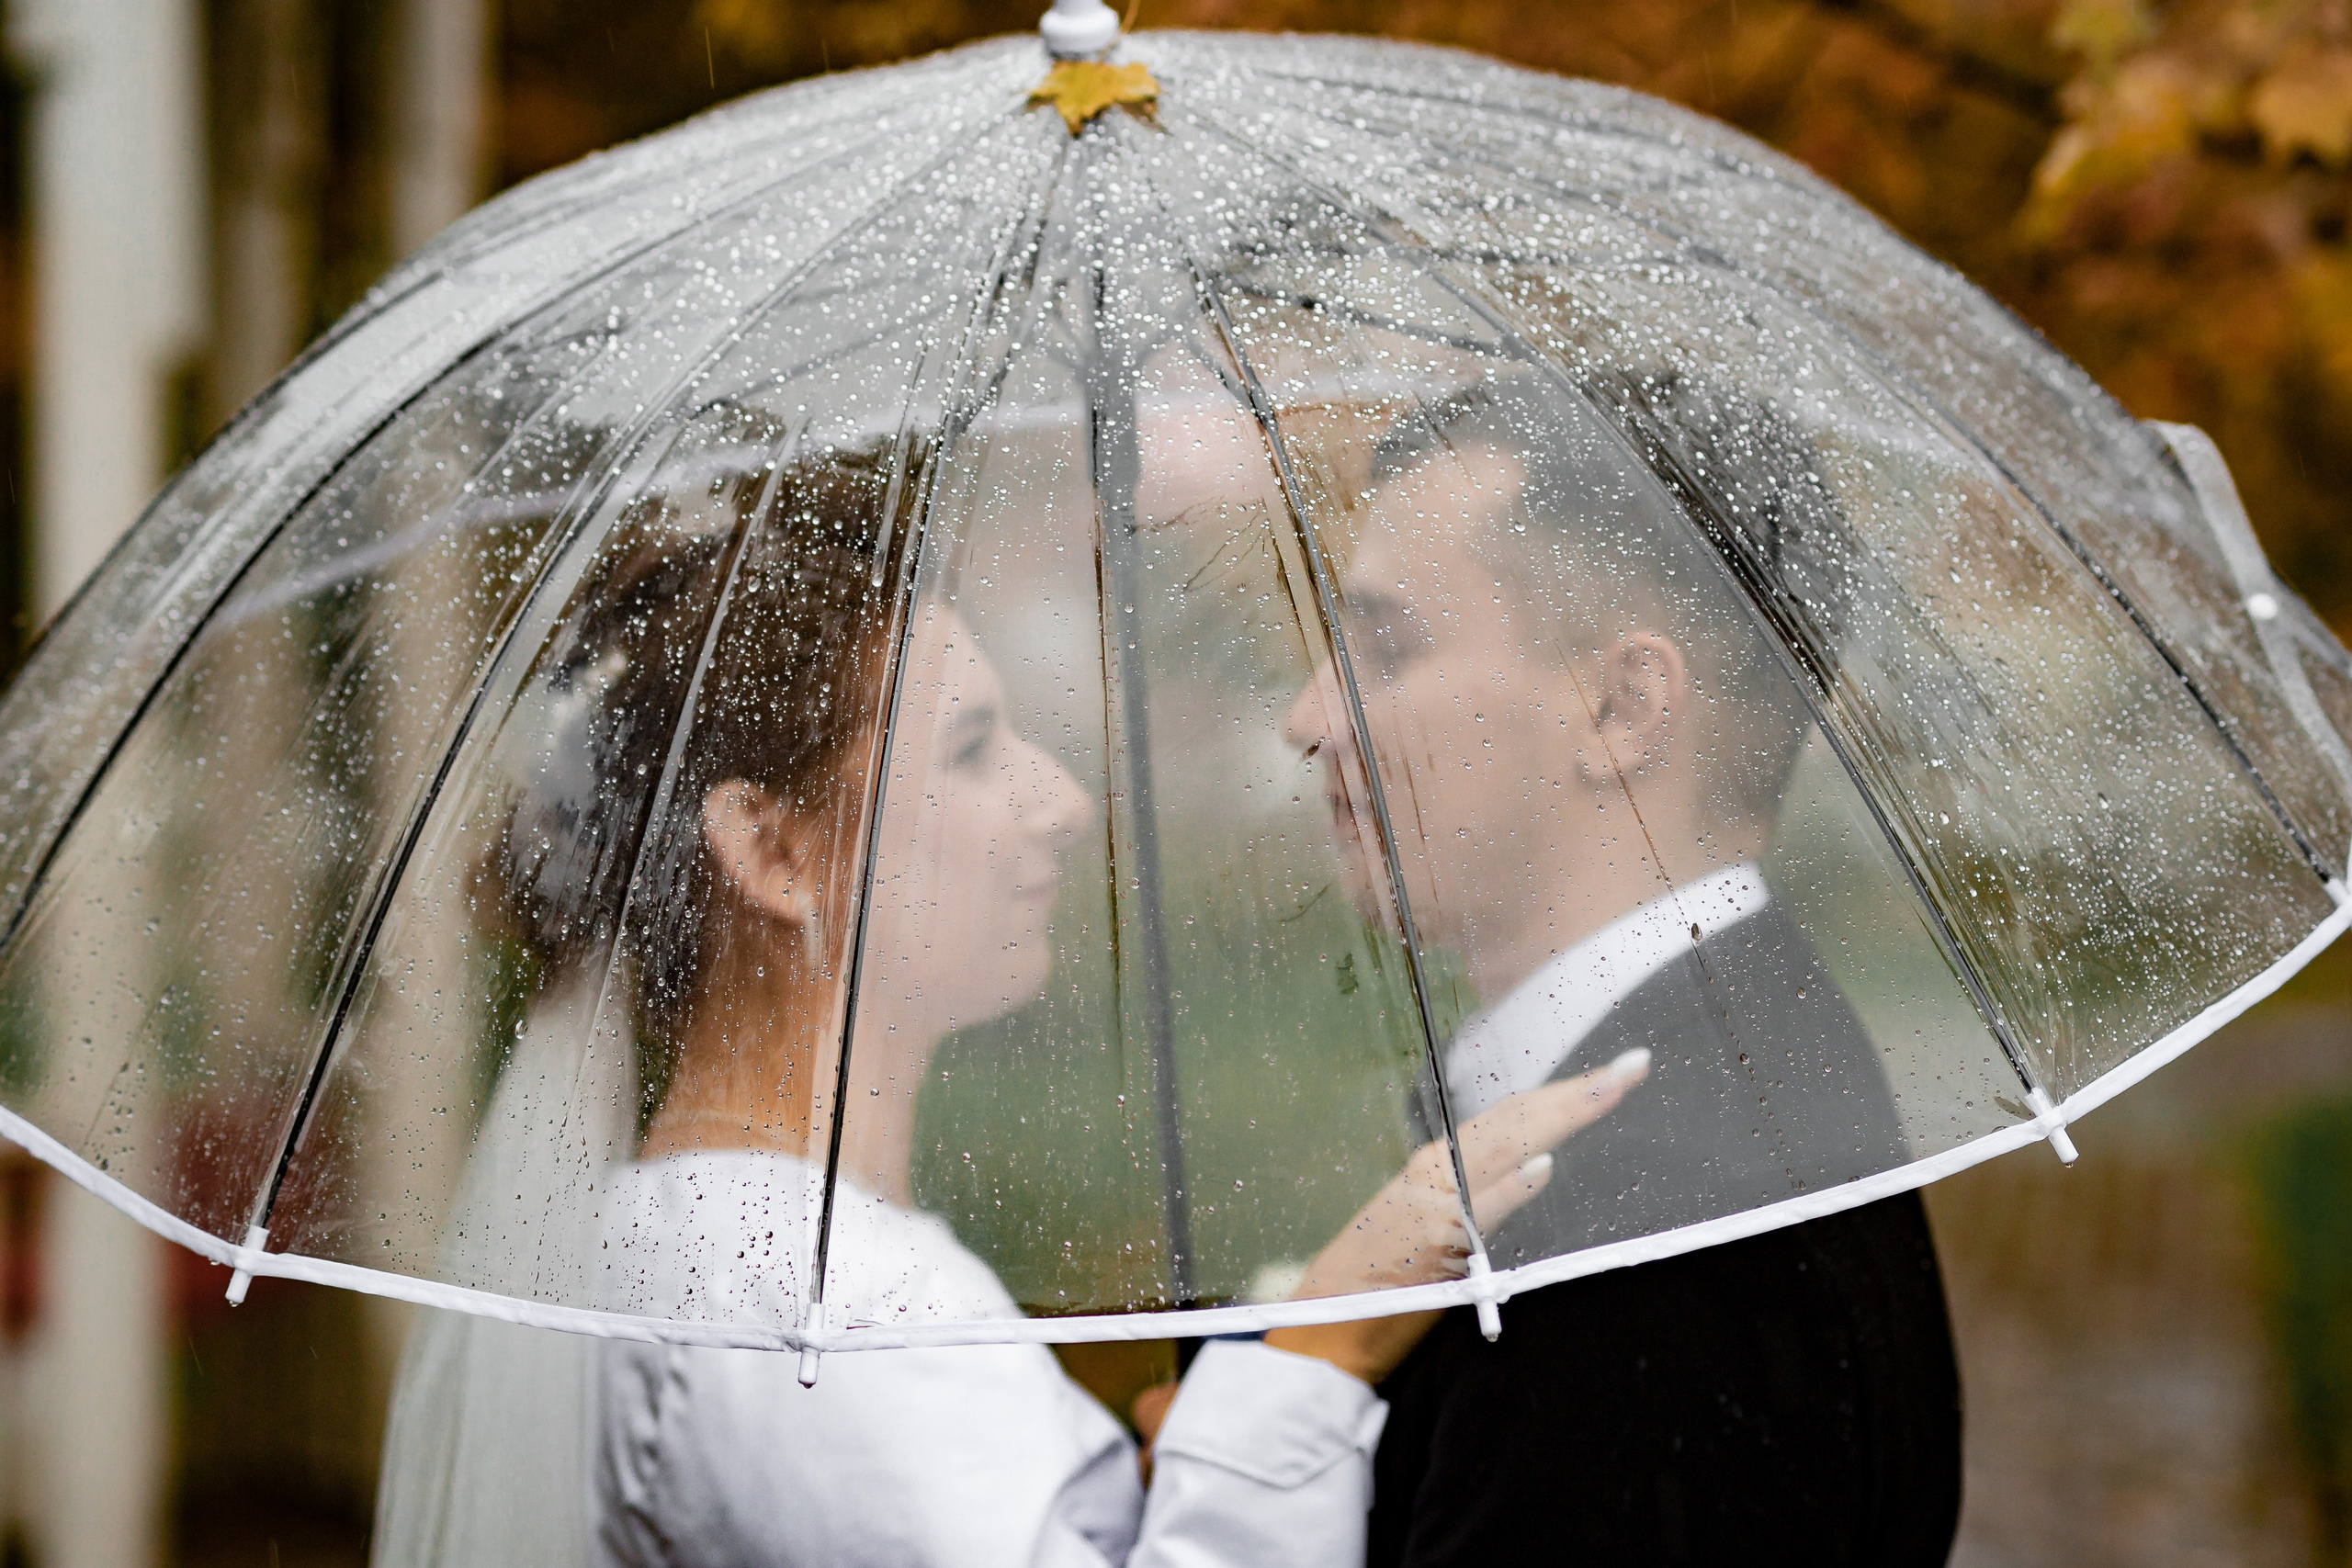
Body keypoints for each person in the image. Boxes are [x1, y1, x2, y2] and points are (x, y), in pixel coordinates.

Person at [374, 424, 1648, 1568]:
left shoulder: (710, 1256)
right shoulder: (814, 1305)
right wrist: (1318, 1353)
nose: (1061, 802)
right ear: (769, 850)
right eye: (974, 751)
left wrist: (1158, 1488)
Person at [1275, 381, 1964, 1566]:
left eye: (1387, 649)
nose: (1308, 716)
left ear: (1620, 707)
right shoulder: (1744, 1072)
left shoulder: (1663, 1228)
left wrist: (1239, 1471)